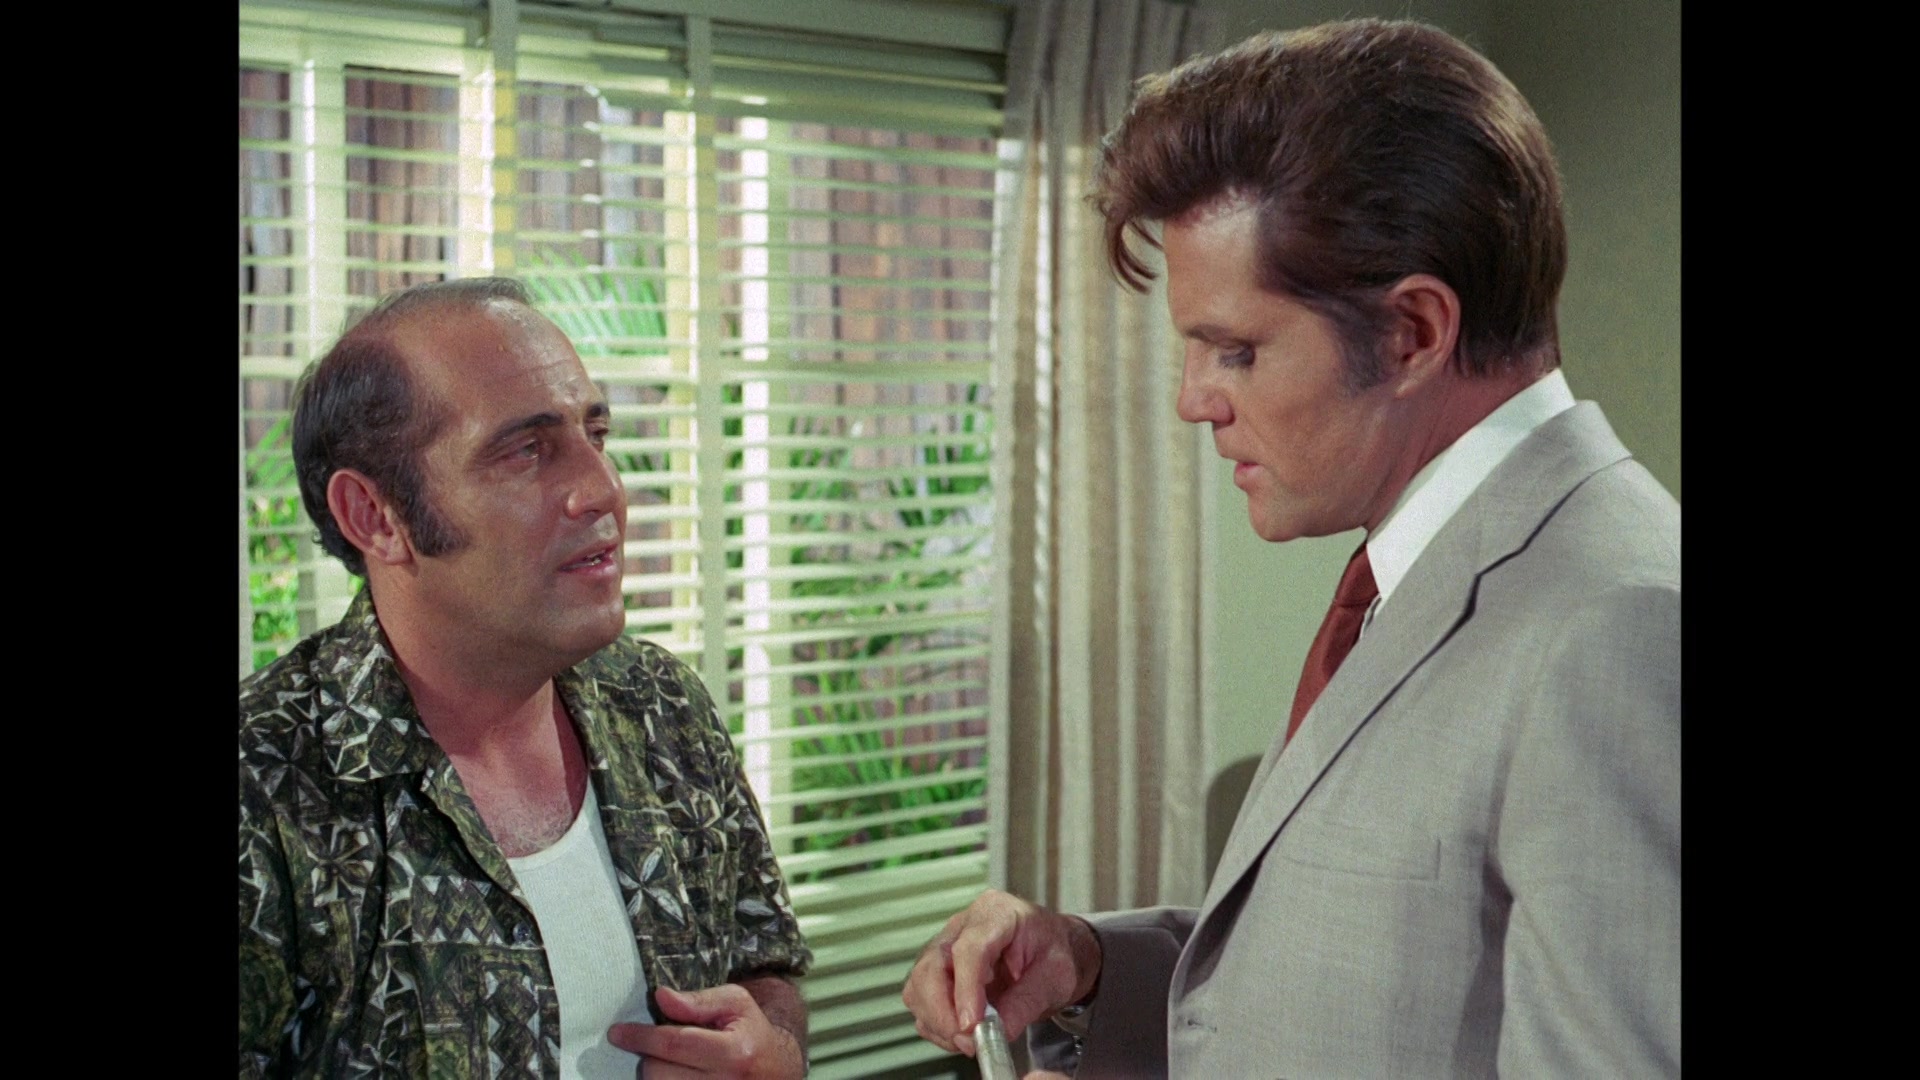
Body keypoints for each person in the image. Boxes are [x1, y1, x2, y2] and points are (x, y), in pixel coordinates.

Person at [901, 18, 1678, 1078]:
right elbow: (1364, 981)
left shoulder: (1620, 628)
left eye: (1236, 350)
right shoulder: (1418, 568)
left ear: (1412, 332)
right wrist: (1090, 965)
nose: (1193, 401)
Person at [238, 278, 812, 1078]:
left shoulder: (661, 704)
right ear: (375, 516)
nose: (604, 488)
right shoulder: (265, 788)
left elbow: (763, 964)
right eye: (526, 451)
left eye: (596, 435)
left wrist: (774, 1050)